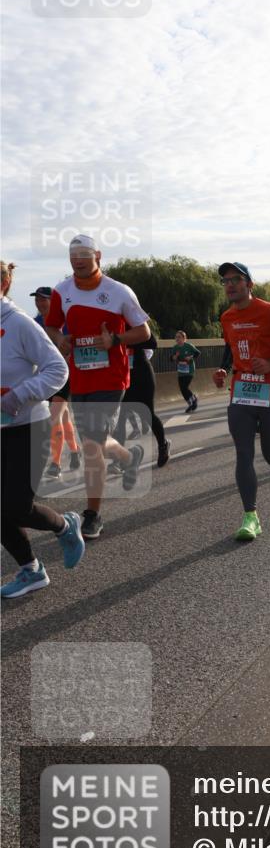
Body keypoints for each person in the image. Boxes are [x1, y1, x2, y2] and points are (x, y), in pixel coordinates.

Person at [44, 234, 151, 539]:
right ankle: (130, 458)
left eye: (84, 255)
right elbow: (51, 325)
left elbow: (143, 331)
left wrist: (115, 339)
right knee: (95, 439)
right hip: (80, 376)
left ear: (98, 256)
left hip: (111, 377)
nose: (78, 260)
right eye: (73, 256)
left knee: (91, 446)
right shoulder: (61, 291)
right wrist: (59, 339)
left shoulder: (118, 291)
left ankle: (92, 515)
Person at [1, 261, 85, 598]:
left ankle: (65, 525)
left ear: (4, 283)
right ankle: (31, 570)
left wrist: (18, 395)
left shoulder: (19, 323)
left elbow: (57, 369)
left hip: (27, 426)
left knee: (16, 507)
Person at [213, 261, 270, 541]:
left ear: (249, 284)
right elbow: (231, 347)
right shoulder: (227, 317)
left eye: (235, 279)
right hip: (241, 391)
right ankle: (250, 516)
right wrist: (223, 369)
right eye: (226, 281)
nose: (230, 285)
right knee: (243, 453)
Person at [31, 286, 81, 478]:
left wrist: (64, 356)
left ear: (54, 302)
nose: (40, 303)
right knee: (64, 416)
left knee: (54, 417)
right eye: (37, 299)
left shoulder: (65, 322)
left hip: (64, 375)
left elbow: (73, 345)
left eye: (44, 299)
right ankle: (75, 451)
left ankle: (56, 463)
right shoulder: (33, 323)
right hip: (44, 377)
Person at [112, 332, 170, 468]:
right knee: (120, 418)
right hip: (121, 376)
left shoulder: (133, 324)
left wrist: (125, 338)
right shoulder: (109, 326)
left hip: (141, 374)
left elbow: (153, 343)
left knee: (148, 414)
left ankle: (163, 444)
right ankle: (119, 459)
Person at [170, 330, 200, 412]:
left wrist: (191, 357)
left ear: (184, 338)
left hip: (189, 370)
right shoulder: (175, 347)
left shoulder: (189, 346)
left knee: (184, 387)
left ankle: (194, 399)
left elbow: (197, 353)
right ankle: (190, 403)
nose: (177, 339)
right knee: (182, 389)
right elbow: (171, 358)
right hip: (181, 371)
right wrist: (174, 357)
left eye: (179, 337)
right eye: (176, 337)